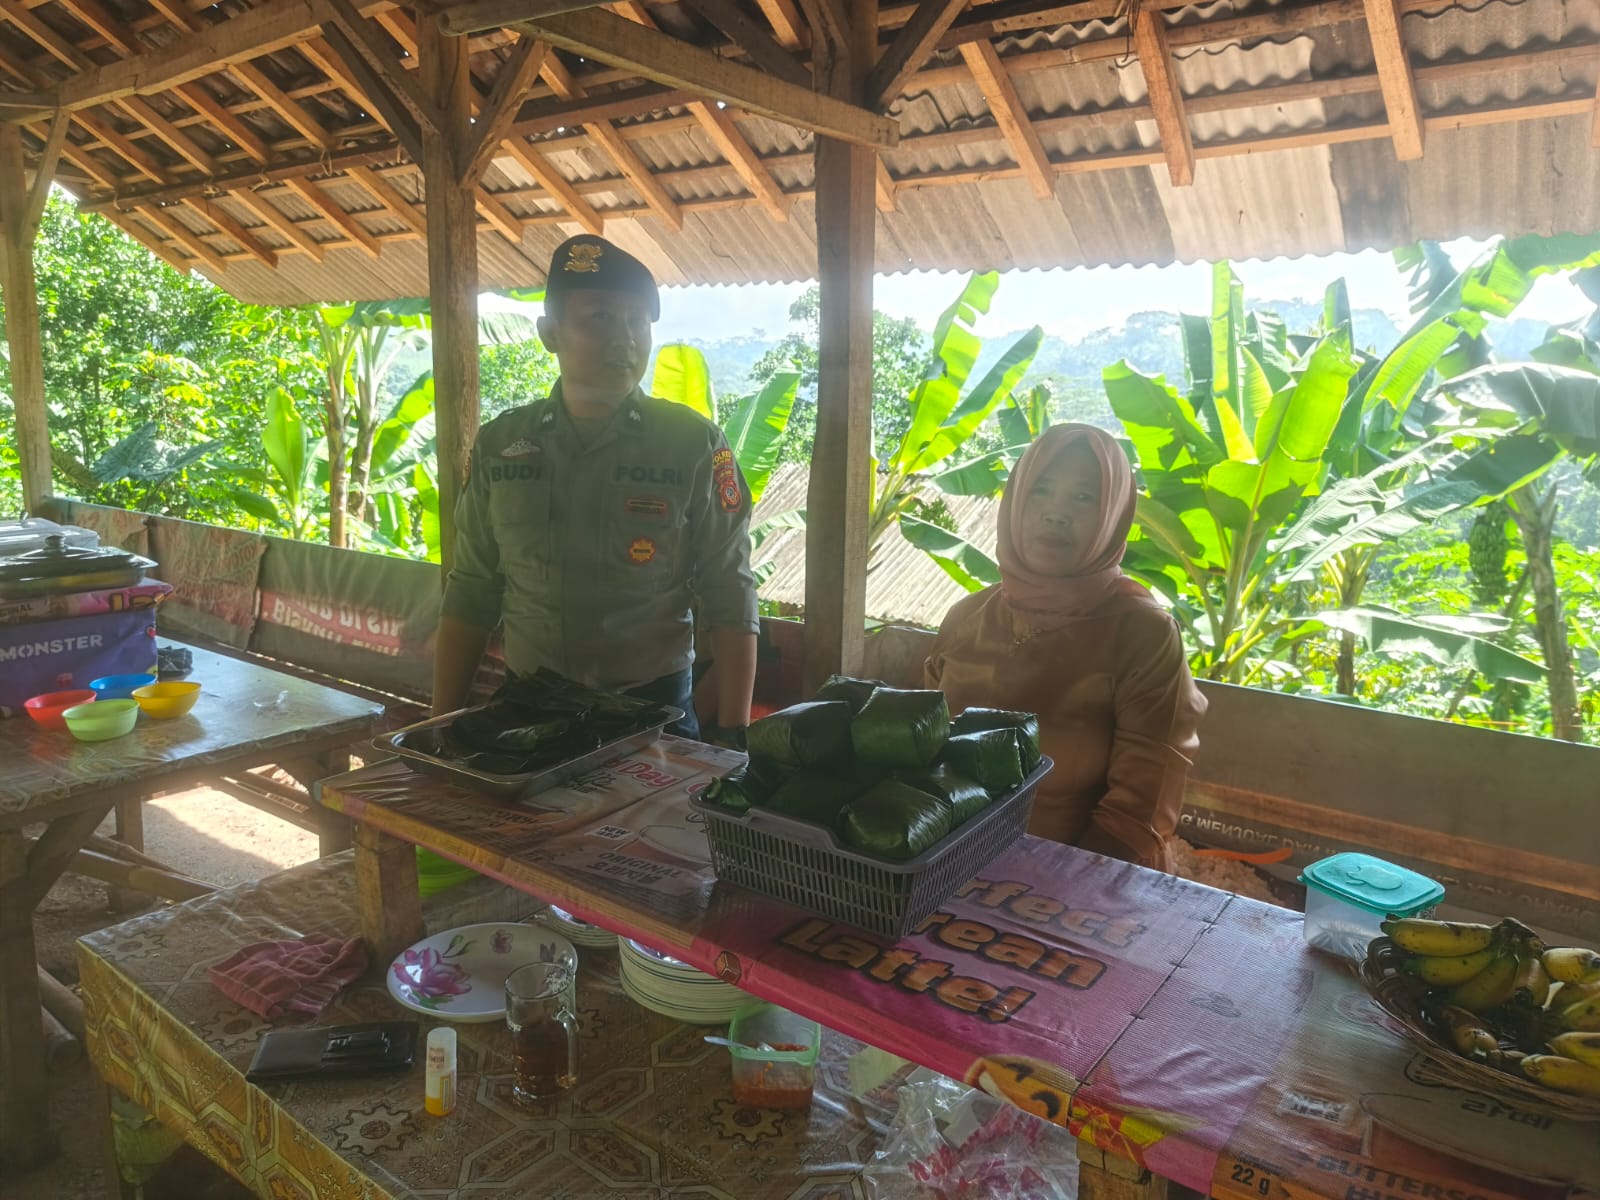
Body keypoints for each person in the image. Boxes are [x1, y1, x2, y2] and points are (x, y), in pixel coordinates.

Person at [431, 234, 758, 745]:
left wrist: (736, 736)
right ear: (550, 333)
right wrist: (439, 726)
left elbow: (730, 589)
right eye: (601, 318)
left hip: (654, 717)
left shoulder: (692, 444)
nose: (624, 338)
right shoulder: (502, 445)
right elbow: (472, 589)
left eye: (637, 321)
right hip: (528, 713)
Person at [924, 423, 1206, 871]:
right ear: (1016, 499)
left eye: (1083, 497)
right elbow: (921, 753)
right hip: (947, 867)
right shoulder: (967, 617)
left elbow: (1140, 811)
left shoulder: (1143, 634)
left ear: (1111, 515)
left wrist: (1047, 890)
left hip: (1085, 880)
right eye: (1042, 490)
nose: (1056, 513)